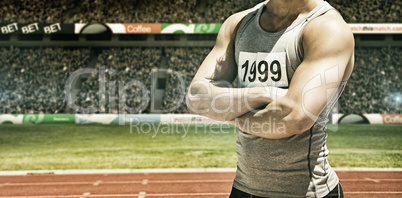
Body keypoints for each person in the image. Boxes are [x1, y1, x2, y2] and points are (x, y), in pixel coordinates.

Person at [186, 0, 354, 197]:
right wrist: (263, 93)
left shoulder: (326, 28)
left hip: (308, 192)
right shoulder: (238, 24)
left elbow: (293, 118)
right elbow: (196, 97)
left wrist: (229, 115)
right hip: (243, 189)